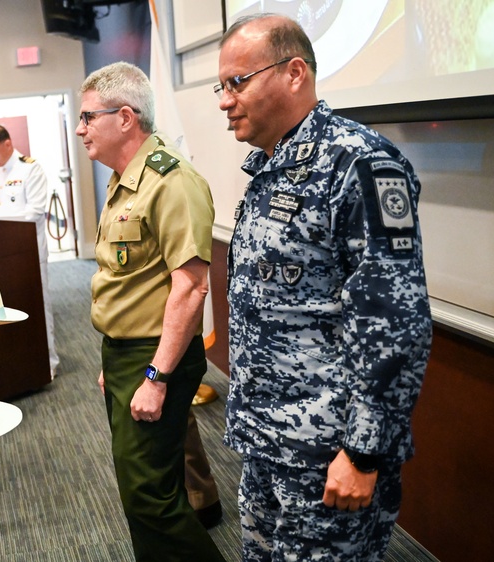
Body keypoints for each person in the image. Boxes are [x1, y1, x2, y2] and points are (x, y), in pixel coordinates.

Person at [218, 14, 432, 562]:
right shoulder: (270, 168)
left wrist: (363, 452)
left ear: (294, 74)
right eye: (221, 86)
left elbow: (394, 321)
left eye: (237, 82)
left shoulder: (360, 163)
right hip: (268, 443)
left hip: (328, 453)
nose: (225, 100)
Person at [76, 61, 225, 562]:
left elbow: (190, 287)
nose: (79, 130)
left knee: (150, 497)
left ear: (124, 117)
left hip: (156, 356)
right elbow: (128, 282)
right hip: (126, 353)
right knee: (140, 489)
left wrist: (156, 375)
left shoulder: (171, 181)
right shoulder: (126, 179)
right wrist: (113, 355)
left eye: (86, 118)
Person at [0, 124, 59, 378]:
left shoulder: (30, 168)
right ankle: (21, 362)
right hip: (1, 254)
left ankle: (49, 363)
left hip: (29, 251)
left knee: (39, 305)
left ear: (8, 144)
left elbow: (34, 213)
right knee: (9, 306)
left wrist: (1, 230)